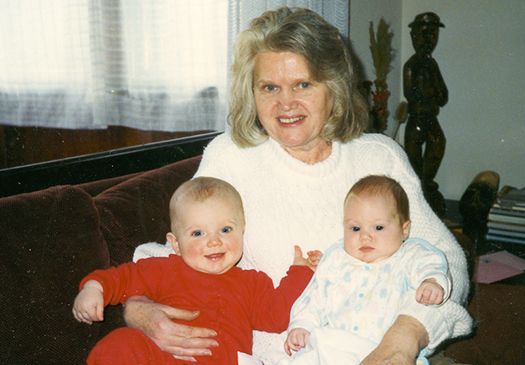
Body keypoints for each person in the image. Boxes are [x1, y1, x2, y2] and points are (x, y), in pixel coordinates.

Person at [125, 7, 472, 365]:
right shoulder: (231, 158)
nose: (285, 104)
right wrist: (139, 306)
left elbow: (447, 261)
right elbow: (184, 245)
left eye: (303, 84)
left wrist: (403, 339)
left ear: (333, 87)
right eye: (269, 87)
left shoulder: (379, 158)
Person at [72, 177, 321, 364]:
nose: (214, 241)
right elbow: (121, 278)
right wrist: (94, 287)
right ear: (176, 244)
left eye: (225, 230)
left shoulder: (251, 282)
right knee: (120, 344)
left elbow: (276, 316)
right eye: (198, 233)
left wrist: (300, 273)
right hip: (167, 359)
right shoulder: (163, 269)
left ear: (242, 231)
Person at [282, 175, 451, 365]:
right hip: (334, 346)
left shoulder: (409, 256)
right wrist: (302, 325)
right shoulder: (337, 261)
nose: (365, 237)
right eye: (355, 228)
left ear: (404, 229)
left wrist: (432, 282)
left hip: (382, 350)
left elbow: (432, 265)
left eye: (378, 227)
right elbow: (314, 298)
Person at [403, 12, 448, 217]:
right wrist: (430, 94)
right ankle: (418, 188)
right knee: (413, 155)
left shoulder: (432, 64)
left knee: (438, 141)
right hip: (417, 119)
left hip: (431, 118)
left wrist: (433, 92)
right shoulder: (411, 65)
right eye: (424, 34)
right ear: (413, 36)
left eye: (433, 34)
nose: (429, 39)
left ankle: (426, 183)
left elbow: (443, 96)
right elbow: (410, 92)